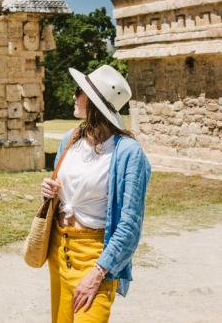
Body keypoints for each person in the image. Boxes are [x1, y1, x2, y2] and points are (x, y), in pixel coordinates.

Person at [40, 65, 151, 322]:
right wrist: (49, 192)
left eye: (79, 90)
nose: (73, 96)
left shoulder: (129, 153)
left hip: (95, 258)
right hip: (60, 249)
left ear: (93, 101)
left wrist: (99, 272)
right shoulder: (71, 138)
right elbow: (62, 194)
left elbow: (130, 225)